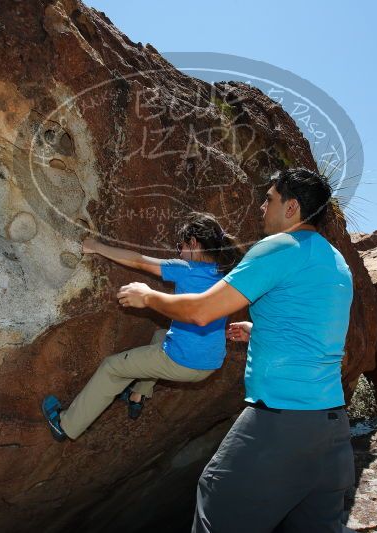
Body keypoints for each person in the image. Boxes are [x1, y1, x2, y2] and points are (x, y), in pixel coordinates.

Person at [116, 168, 355, 532]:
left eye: (269, 199)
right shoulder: (336, 261)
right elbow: (318, 330)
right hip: (331, 430)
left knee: (218, 504)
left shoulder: (279, 247)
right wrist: (259, 329)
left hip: (279, 422)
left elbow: (201, 311)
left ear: (291, 207)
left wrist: (147, 296)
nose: (262, 207)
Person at [41, 212, 243, 442]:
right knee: (160, 335)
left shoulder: (186, 268)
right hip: (211, 364)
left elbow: (138, 260)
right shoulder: (227, 274)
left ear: (194, 243)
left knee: (112, 368)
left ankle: (65, 426)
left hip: (181, 361)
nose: (180, 251)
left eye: (182, 245)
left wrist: (95, 246)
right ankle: (137, 395)